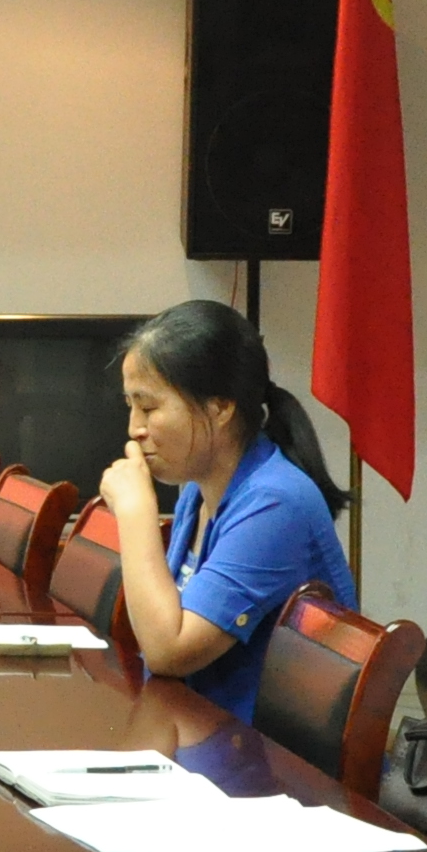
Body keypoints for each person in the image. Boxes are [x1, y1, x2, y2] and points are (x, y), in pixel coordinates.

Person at [94, 298, 354, 725]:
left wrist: (136, 512)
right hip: (198, 728)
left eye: (149, 408)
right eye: (131, 406)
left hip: (262, 756)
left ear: (220, 408)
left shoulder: (275, 503)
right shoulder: (198, 492)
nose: (134, 428)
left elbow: (168, 650)